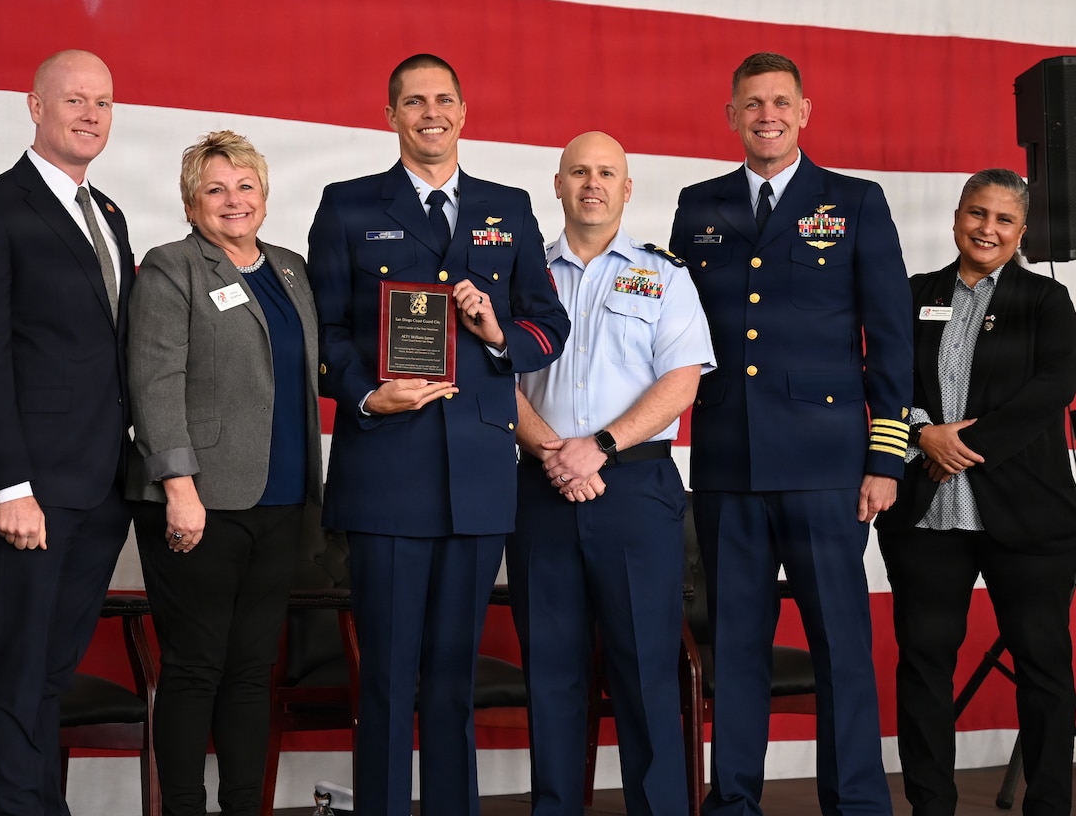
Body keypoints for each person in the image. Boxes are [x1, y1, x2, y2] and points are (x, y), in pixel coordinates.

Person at [307, 53, 570, 815]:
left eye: (443, 99)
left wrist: (495, 332)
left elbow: (547, 326)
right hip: (386, 470)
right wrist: (364, 394)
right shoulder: (348, 206)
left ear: (463, 110)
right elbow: (320, 333)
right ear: (389, 115)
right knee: (388, 676)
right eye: (413, 101)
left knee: (454, 677)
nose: (431, 112)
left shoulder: (508, 207)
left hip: (479, 475)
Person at [668, 52, 912, 816]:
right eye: (751, 103)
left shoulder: (855, 201)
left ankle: (857, 803)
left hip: (825, 464)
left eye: (779, 101)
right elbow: (677, 330)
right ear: (730, 115)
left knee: (839, 642)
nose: (766, 114)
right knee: (735, 645)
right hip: (727, 462)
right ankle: (733, 800)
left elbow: (891, 337)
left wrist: (887, 459)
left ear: (804, 110)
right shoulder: (696, 204)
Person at [0, 49, 135, 816]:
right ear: (34, 106)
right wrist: (9, 484)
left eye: (103, 103)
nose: (90, 115)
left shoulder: (109, 213)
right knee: (19, 664)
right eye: (74, 101)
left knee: (53, 667)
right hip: (32, 489)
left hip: (101, 482)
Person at [509, 131, 714, 815]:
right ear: (558, 184)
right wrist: (552, 453)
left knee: (644, 671)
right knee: (551, 671)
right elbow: (495, 379)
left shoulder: (665, 276)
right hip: (541, 488)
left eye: (606, 174)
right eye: (578, 172)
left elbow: (680, 383)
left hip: (634, 489)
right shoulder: (522, 275)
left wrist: (595, 445)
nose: (591, 184)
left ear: (627, 190)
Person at [127, 130, 324, 815]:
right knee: (194, 668)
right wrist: (178, 488)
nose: (231, 200)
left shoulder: (292, 270)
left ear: (264, 197)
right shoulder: (169, 267)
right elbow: (154, 383)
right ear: (190, 202)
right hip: (199, 503)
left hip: (280, 503)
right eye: (214, 188)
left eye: (244, 186)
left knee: (249, 673)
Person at [877, 169, 1076, 816]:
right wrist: (921, 435)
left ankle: (1047, 805)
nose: (985, 229)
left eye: (1001, 219)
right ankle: (930, 805)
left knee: (1043, 670)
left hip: (1027, 517)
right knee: (923, 668)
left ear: (1021, 232)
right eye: (976, 213)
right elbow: (881, 376)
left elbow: (1053, 387)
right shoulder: (911, 295)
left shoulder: (1044, 300)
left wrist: (960, 447)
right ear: (956, 217)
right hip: (925, 517)